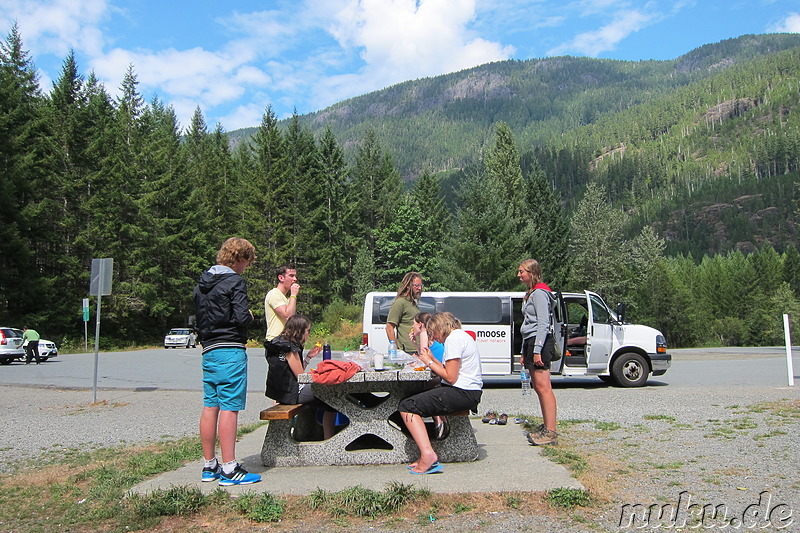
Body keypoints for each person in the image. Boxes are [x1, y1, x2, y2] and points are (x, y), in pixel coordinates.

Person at [193, 237, 261, 486]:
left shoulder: (202, 284)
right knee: (230, 407)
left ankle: (209, 465)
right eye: (247, 262)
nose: (246, 267)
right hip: (230, 348)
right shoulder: (234, 281)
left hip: (209, 349)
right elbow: (241, 316)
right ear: (240, 259)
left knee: (211, 405)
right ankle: (230, 468)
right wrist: (250, 315)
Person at [399, 312, 483, 474]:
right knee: (411, 396)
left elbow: (450, 377)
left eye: (433, 333)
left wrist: (429, 362)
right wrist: (432, 358)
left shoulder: (453, 339)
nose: (434, 337)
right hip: (468, 391)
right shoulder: (460, 336)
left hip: (463, 393)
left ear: (440, 328)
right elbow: (448, 370)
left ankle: (428, 454)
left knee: (407, 406)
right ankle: (426, 451)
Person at [264, 314, 337, 439]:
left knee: (326, 398)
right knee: (332, 397)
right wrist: (319, 375)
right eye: (308, 331)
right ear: (300, 331)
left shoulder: (278, 343)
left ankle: (315, 433)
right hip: (291, 392)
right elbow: (301, 377)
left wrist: (308, 357)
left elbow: (294, 372)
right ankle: (329, 440)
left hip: (280, 391)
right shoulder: (290, 348)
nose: (308, 334)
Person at [517, 258, 559, 446]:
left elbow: (543, 324)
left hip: (539, 342)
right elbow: (527, 325)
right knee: (537, 387)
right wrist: (523, 353)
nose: (518, 275)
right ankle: (546, 426)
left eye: (522, 271)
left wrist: (537, 350)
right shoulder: (530, 293)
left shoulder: (541, 293)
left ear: (532, 273)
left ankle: (551, 432)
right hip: (530, 341)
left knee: (544, 387)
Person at [386, 272, 423, 354]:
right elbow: (389, 328)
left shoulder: (413, 303)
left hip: (417, 349)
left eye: (421, 286)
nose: (419, 288)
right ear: (408, 286)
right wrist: (396, 350)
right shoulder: (400, 302)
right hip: (407, 351)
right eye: (416, 285)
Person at [265, 265, 300, 341]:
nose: (295, 279)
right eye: (291, 276)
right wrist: (293, 295)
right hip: (276, 340)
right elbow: (288, 316)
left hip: (286, 340)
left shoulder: (287, 299)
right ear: (281, 278)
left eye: (295, 276)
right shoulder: (274, 294)